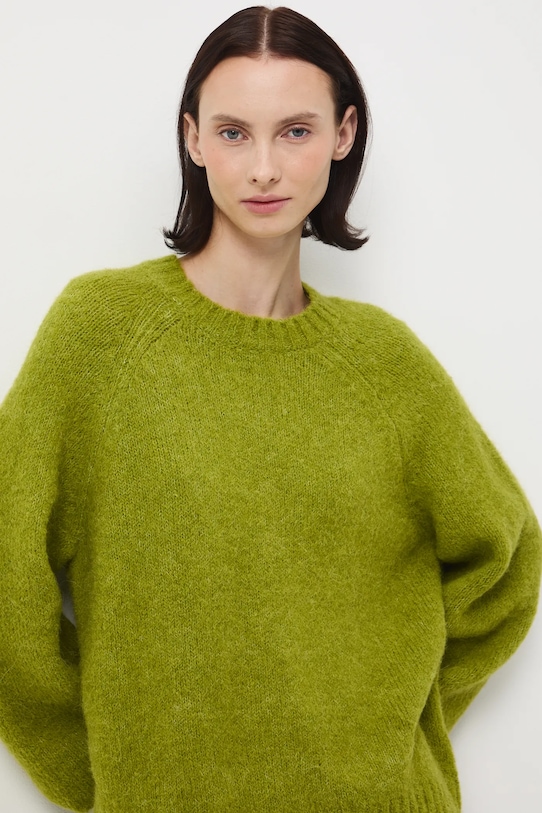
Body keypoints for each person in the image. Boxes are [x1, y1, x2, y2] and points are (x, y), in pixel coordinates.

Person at [0, 5, 540, 813]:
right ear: (192, 139)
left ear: (343, 134)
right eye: (232, 133)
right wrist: (108, 771)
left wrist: (396, 733)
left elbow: (508, 564)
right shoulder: (100, 334)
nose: (263, 169)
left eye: (294, 131)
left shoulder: (383, 362)